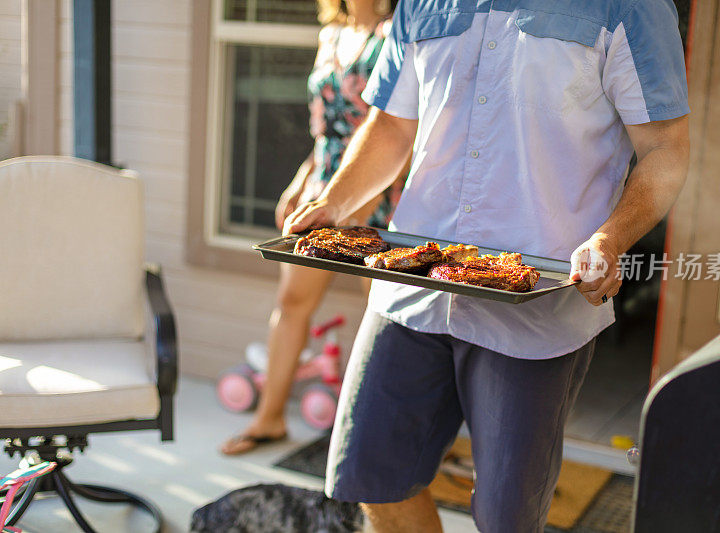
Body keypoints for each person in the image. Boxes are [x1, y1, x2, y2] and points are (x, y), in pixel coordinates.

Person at [284, 0, 691, 531]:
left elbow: (665, 147)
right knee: (371, 480)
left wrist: (610, 239)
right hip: (412, 289)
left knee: (506, 520)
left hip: (537, 311)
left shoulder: (629, 7)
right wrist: (336, 203)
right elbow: (390, 125)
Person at [220, 0, 403, 456]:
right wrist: (300, 183)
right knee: (291, 301)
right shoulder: (332, 34)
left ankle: (377, 438)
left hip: (382, 188)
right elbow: (324, 132)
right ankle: (269, 419)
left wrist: (364, 199)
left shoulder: (399, 28)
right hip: (324, 186)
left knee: (383, 317)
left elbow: (404, 128)